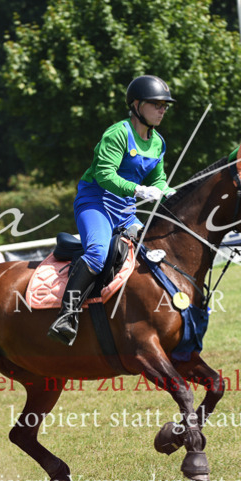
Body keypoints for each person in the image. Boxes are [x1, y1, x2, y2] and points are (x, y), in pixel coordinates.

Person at [47, 74, 175, 345]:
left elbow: (158, 178)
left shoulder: (158, 142)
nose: (163, 109)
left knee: (153, 250)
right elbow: (104, 175)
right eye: (157, 104)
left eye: (165, 105)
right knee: (97, 253)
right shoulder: (118, 133)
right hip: (95, 203)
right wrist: (139, 190)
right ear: (137, 105)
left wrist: (161, 189)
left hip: (125, 210)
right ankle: (66, 315)